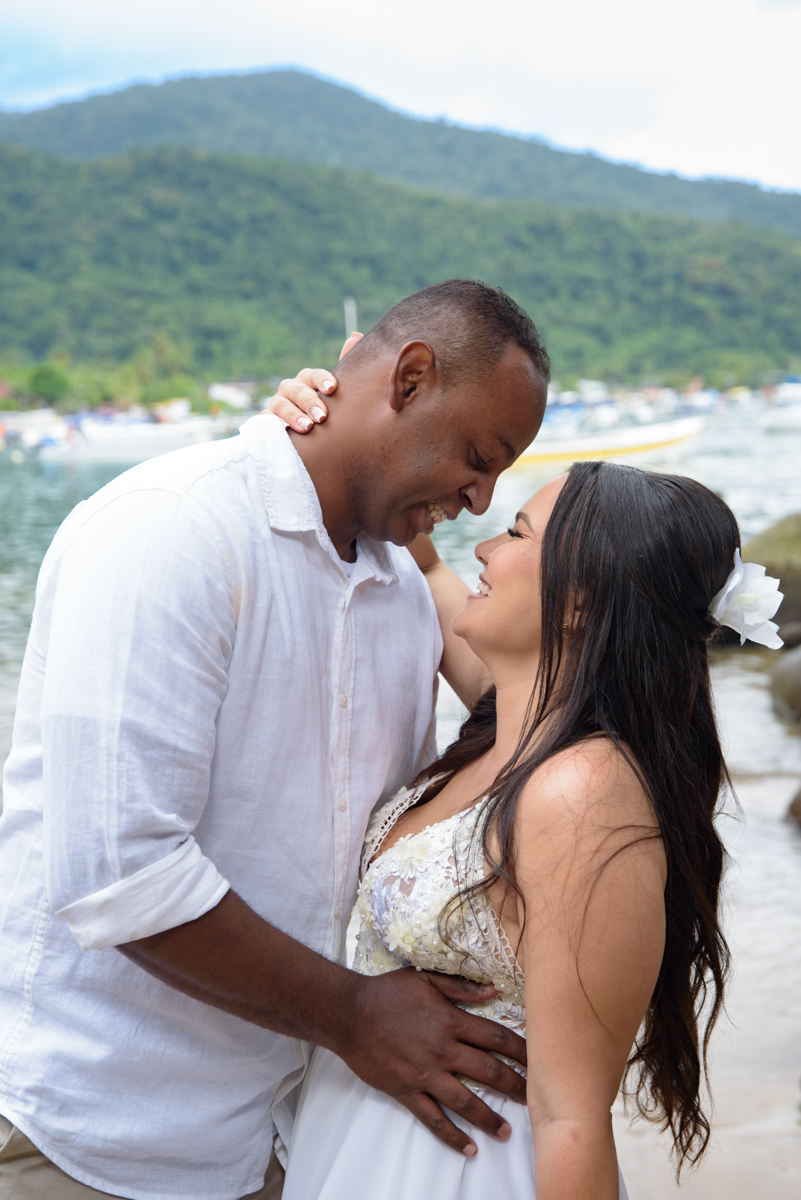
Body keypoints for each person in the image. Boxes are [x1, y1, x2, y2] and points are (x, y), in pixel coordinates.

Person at [0, 281, 549, 1200]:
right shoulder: (174, 527)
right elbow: (118, 872)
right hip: (89, 1130)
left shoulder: (404, 595)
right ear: (408, 378)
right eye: (476, 456)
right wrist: (358, 1017)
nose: (480, 496)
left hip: (279, 1136)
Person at [256, 453, 782, 1199]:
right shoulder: (512, 729)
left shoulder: (581, 792)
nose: (486, 547)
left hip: (459, 1168)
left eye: (515, 532)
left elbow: (571, 1115)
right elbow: (434, 572)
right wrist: (339, 429)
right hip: (361, 1146)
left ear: (578, 599)